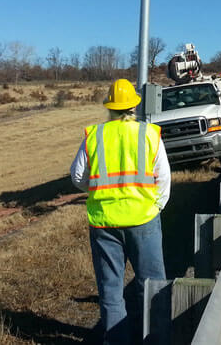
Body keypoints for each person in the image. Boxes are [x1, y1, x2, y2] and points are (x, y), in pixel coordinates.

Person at [70, 78, 170, 344]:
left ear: (110, 107)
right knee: (151, 284)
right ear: (134, 107)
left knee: (111, 289)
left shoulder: (95, 135)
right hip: (144, 219)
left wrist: (100, 191)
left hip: (104, 223)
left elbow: (78, 176)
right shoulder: (149, 133)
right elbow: (164, 178)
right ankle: (156, 338)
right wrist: (155, 205)